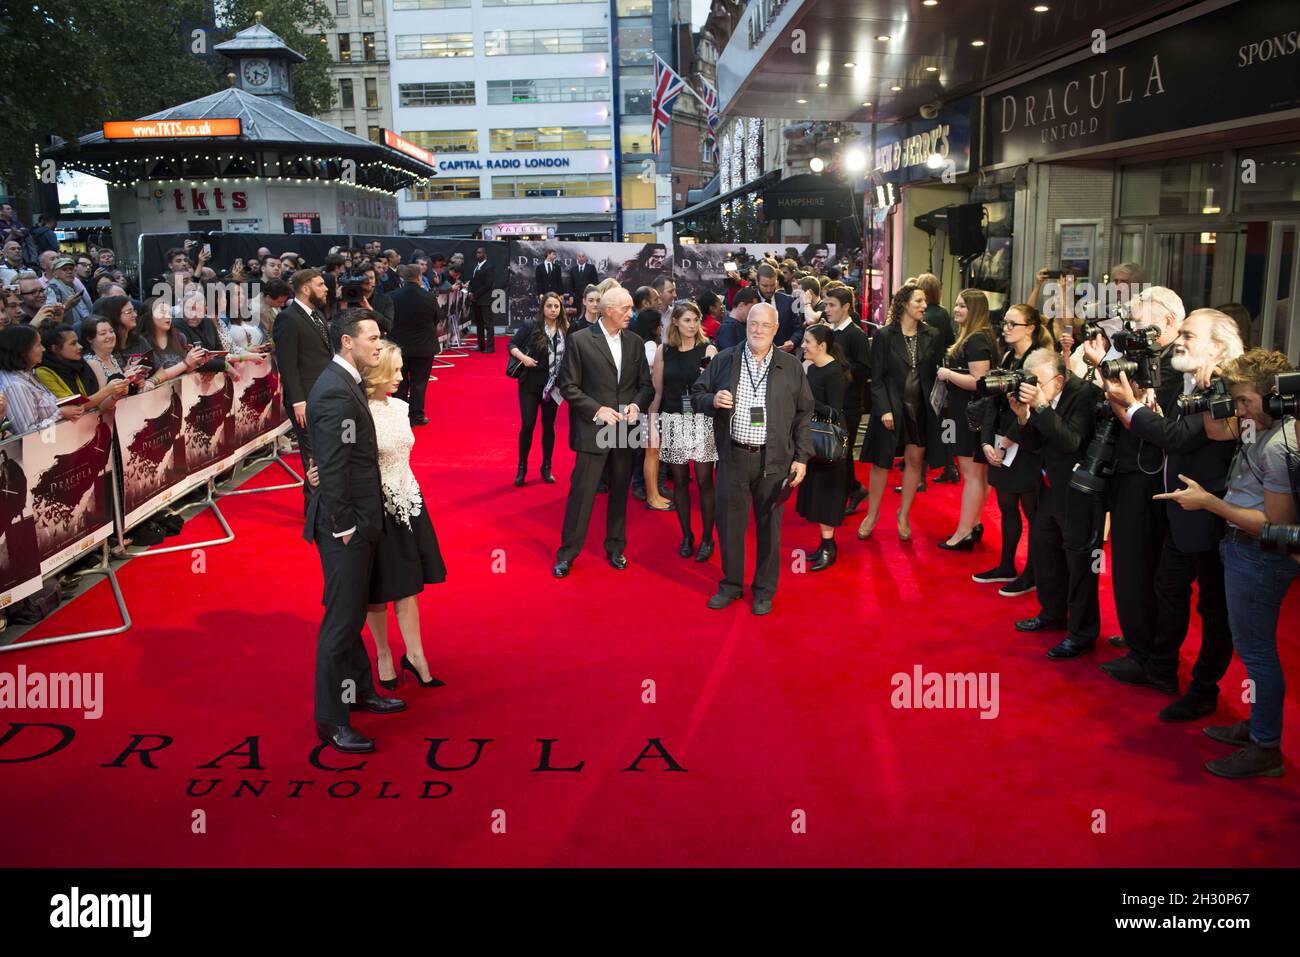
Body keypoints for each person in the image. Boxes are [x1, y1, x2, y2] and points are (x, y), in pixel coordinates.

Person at [1153, 349, 1298, 777]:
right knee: (1254, 651)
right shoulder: (1263, 428)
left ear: (1275, 400)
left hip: (1258, 557)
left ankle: (1266, 747)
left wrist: (1209, 503)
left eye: (1245, 401)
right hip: (1242, 551)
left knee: (1258, 656)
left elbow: (1277, 525)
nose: (1237, 411)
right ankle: (1258, 728)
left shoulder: (1280, 447)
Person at [1103, 308, 1243, 722]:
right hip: (1185, 510)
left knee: (1214, 610)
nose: (1177, 340)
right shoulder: (1196, 380)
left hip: (1212, 513)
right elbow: (1180, 438)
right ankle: (1161, 668)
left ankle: (1201, 690)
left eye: (1187, 334)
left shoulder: (1223, 385)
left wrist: (1131, 408)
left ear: (1217, 346)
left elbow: (1177, 437)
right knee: (1170, 589)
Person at [304, 308, 406, 754]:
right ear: (348, 342)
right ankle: (330, 720)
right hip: (344, 526)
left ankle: (360, 692)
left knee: (353, 612)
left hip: (359, 518)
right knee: (341, 624)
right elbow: (333, 465)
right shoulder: (334, 392)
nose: (379, 344)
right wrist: (344, 524)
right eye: (372, 338)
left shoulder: (345, 382)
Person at [690, 301, 813, 615]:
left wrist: (801, 457)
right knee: (730, 526)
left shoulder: (791, 366)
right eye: (753, 324)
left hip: (775, 461)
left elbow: (803, 414)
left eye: (765, 326)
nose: (758, 330)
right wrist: (712, 399)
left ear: (775, 330)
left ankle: (763, 590)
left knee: (769, 527)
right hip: (733, 456)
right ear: (746, 325)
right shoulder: (726, 359)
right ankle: (731, 585)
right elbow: (696, 393)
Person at [346, 341, 448, 690]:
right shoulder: (358, 414)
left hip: (409, 499)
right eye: (395, 372)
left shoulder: (402, 407)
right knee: (378, 590)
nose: (401, 378)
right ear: (375, 373)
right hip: (376, 508)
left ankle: (416, 655)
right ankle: (383, 654)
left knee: (408, 585)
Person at [553, 286, 654, 578]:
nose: (631, 313)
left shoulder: (635, 342)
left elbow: (646, 385)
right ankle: (567, 554)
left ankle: (616, 547)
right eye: (626, 309)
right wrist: (597, 410)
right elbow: (568, 385)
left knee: (620, 492)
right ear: (608, 310)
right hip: (593, 427)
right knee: (582, 494)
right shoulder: (580, 340)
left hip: (624, 429)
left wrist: (636, 406)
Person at [1010, 349, 1105, 659]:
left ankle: (1081, 634)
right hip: (1050, 487)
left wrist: (1038, 406)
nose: (1030, 387)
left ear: (1059, 380)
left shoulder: (1083, 395)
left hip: (1078, 492)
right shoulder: (1043, 395)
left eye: (1035, 382)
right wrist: (1024, 418)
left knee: (1080, 565)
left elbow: (1071, 441)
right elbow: (1037, 444)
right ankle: (1051, 614)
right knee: (1044, 552)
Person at [974, 303, 1053, 593]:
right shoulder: (1007, 356)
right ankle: (1007, 565)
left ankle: (1032, 573)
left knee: (1032, 514)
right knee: (1007, 507)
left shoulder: (1039, 361)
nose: (1005, 328)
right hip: (1001, 443)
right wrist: (985, 440)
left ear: (1030, 328)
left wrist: (1006, 440)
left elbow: (1036, 408)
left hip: (1029, 445)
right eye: (1004, 323)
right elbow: (992, 403)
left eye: (1012, 324)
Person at [857, 283, 944, 542]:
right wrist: (883, 409)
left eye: (925, 301)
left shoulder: (933, 334)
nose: (923, 305)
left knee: (915, 461)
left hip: (920, 409)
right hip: (891, 407)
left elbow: (936, 375)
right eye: (918, 301)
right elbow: (878, 378)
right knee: (881, 463)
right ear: (904, 303)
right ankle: (872, 514)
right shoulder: (884, 335)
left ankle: (903, 514)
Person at [654, 301, 719, 560]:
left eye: (695, 319)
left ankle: (706, 538)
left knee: (704, 481)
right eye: (687, 320)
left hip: (701, 420)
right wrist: (652, 425)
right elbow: (657, 391)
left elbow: (715, 390)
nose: (692, 325)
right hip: (673, 419)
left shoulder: (709, 349)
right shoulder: (664, 351)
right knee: (680, 481)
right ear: (676, 322)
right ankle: (686, 535)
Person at [935, 289, 998, 549]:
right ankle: (971, 525)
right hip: (971, 414)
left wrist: (947, 374)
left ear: (975, 310)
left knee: (972, 475)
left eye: (963, 306)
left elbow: (980, 382)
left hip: (970, 415)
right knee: (977, 475)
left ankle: (964, 531)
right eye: (957, 304)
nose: (957, 309)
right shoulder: (977, 337)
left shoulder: (976, 340)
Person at [273, 268, 334, 489]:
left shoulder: (317, 315)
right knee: (313, 456)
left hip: (325, 395)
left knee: (325, 451)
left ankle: (324, 505)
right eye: (320, 284)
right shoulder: (287, 319)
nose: (326, 288)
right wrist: (298, 402)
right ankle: (314, 509)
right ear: (306, 289)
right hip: (305, 400)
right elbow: (287, 365)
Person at [795, 324, 849, 571]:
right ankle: (823, 546)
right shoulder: (812, 368)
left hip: (829, 447)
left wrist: (807, 400)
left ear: (822, 346)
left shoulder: (834, 372)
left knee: (826, 500)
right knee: (816, 498)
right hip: (813, 445)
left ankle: (829, 548)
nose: (803, 345)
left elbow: (835, 413)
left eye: (807, 341)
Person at [509, 291, 567, 486]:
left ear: (561, 309)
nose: (553, 310)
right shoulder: (531, 326)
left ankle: (546, 466)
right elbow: (512, 344)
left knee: (549, 427)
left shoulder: (564, 329)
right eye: (549, 306)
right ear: (543, 308)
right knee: (528, 425)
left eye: (556, 306)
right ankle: (522, 467)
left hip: (553, 387)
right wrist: (523, 358)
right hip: (530, 384)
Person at [821, 288, 870, 514]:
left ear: (845, 307)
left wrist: (839, 370)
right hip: (832, 403)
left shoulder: (856, 335)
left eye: (831, 305)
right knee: (839, 452)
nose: (827, 309)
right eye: (826, 305)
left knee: (843, 452)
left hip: (849, 404)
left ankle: (848, 491)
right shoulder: (830, 331)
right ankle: (852, 489)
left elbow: (865, 368)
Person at [0, 325, 83, 434]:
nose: (43, 349)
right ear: (22, 351)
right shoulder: (15, 385)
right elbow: (26, 433)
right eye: (38, 345)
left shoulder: (28, 373)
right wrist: (61, 413)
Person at [387, 264, 442, 426]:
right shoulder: (429, 297)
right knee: (419, 383)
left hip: (398, 347)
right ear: (419, 277)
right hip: (423, 347)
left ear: (403, 277)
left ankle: (400, 416)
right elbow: (438, 317)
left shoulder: (392, 296)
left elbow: (387, 319)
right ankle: (417, 416)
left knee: (399, 381)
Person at [34, 325, 130, 411]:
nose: (80, 347)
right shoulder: (44, 372)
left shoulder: (79, 364)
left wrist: (115, 396)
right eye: (73, 343)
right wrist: (107, 390)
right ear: (55, 349)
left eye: (78, 342)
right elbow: (75, 407)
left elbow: (99, 405)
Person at [136, 296, 207, 388]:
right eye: (162, 312)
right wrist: (186, 363)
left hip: (181, 391)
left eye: (169, 312)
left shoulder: (180, 337)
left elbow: (186, 370)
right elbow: (150, 377)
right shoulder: (142, 342)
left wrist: (197, 362)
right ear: (149, 316)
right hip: (153, 395)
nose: (168, 316)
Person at [753, 262, 798, 352]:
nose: (769, 290)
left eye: (772, 285)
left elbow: (798, 328)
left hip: (784, 356)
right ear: (757, 282)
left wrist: (793, 341)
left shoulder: (788, 301)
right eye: (765, 286)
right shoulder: (749, 301)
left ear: (777, 282)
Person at [467, 246, 496, 352]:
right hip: (476, 299)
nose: (477, 254)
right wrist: (470, 292)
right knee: (479, 324)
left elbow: (488, 284)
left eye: (480, 253)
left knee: (488, 324)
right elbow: (473, 281)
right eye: (477, 253)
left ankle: (490, 347)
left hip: (484, 299)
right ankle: (480, 345)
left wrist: (475, 294)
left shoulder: (489, 266)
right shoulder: (477, 266)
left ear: (485, 254)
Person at [715, 286, 758, 351]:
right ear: (741, 305)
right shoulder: (727, 328)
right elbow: (729, 357)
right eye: (751, 309)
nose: (754, 314)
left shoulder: (740, 326)